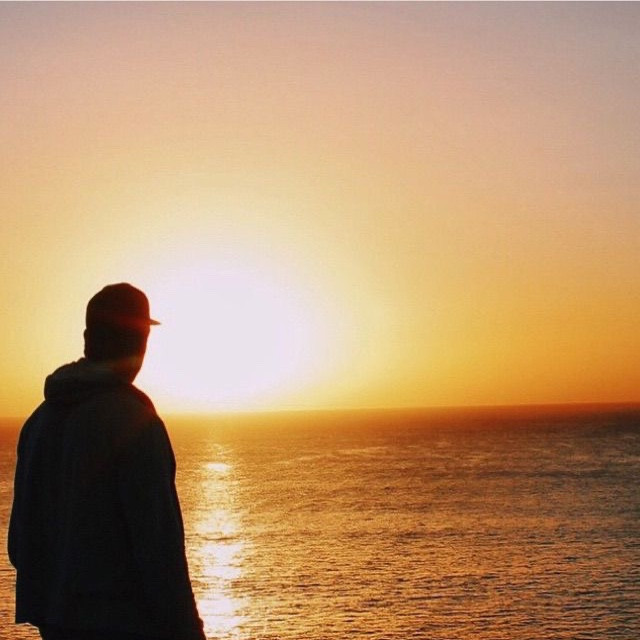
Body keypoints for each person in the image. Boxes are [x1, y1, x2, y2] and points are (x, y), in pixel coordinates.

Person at [8, 283, 206, 640]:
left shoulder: (38, 423)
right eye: (138, 336)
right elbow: (160, 554)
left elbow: (18, 547)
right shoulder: (134, 423)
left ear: (88, 338)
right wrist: (189, 630)